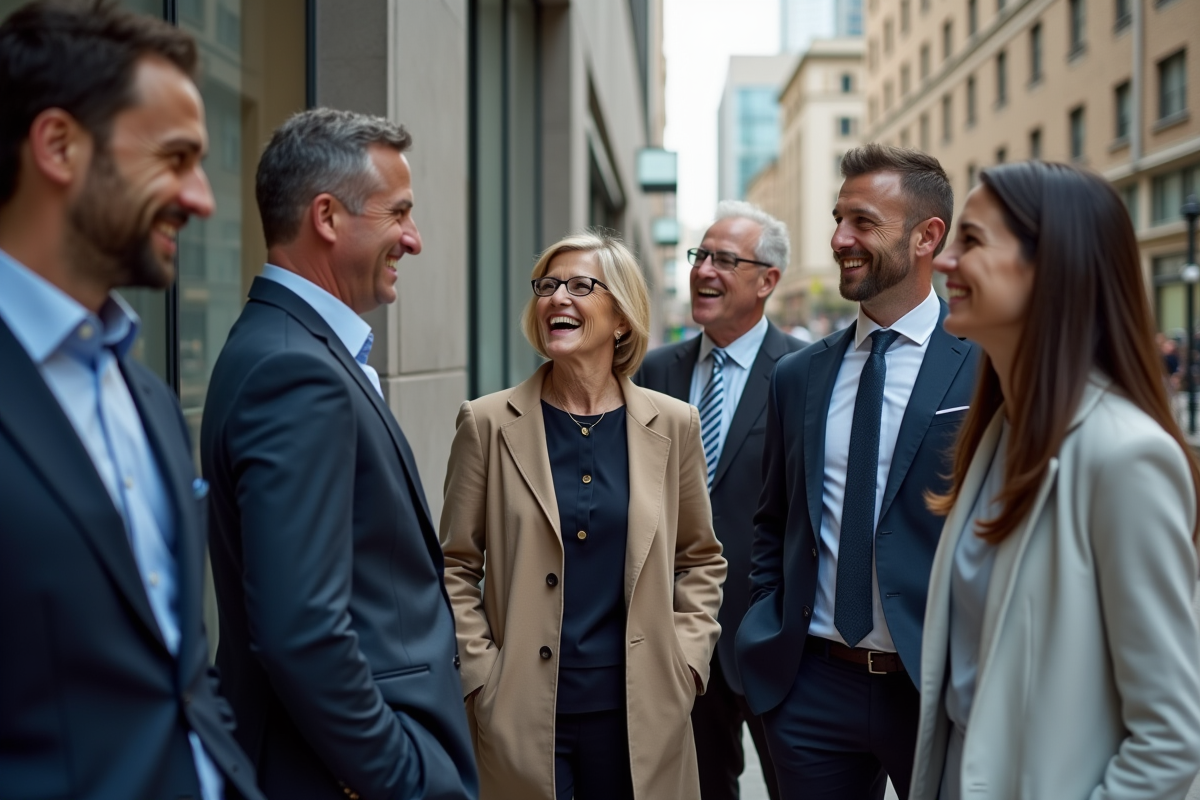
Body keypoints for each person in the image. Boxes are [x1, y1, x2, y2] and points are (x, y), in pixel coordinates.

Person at [0, 3, 264, 799]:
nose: (204, 197)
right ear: (58, 146)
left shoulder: (147, 398)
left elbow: (179, 676)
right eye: (176, 157)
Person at [201, 109, 478, 800]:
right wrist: (404, 775)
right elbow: (301, 631)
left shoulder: (288, 347)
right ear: (327, 217)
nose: (413, 240)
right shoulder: (295, 372)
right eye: (399, 214)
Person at [909, 160, 1200, 799]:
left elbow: (1171, 738)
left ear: (1053, 266)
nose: (944, 261)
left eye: (973, 241)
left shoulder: (1126, 456)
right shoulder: (999, 434)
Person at [440, 231, 727, 800]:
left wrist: (688, 664)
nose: (557, 299)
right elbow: (454, 564)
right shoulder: (487, 422)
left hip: (642, 711)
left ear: (621, 317)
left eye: (579, 286)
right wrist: (481, 678)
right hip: (522, 713)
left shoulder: (673, 424)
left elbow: (700, 559)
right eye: (547, 286)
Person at [734, 144, 979, 800]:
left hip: (935, 687)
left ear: (928, 236)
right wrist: (767, 630)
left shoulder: (986, 370)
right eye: (839, 219)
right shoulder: (797, 376)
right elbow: (773, 521)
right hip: (810, 690)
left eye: (863, 222)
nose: (840, 238)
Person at [635, 200, 803, 800]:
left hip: (771, 639)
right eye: (699, 255)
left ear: (768, 281)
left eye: (724, 260)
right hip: (675, 635)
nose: (703, 269)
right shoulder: (656, 371)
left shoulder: (803, 373)